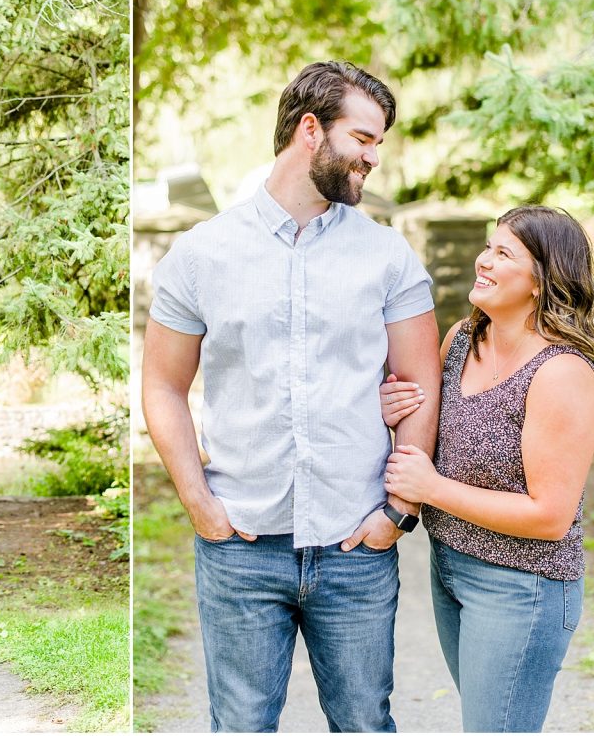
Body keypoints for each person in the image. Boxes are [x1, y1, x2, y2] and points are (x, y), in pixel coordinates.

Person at [141, 61, 442, 732]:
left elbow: (422, 390)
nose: (373, 157)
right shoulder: (200, 256)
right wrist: (199, 503)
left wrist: (397, 511)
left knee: (365, 723)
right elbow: (162, 384)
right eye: (363, 138)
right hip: (239, 546)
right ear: (310, 129)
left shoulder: (389, 259)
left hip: (354, 548)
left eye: (379, 144)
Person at [379, 205, 594, 732]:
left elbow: (550, 515)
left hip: (521, 588)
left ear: (540, 281)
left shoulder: (561, 373)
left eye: (503, 253)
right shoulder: (463, 338)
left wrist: (432, 490)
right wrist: (391, 409)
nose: (484, 260)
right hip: (451, 569)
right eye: (488, 246)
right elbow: (432, 428)